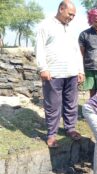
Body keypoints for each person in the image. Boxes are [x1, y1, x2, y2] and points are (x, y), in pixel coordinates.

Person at [35, 0, 84, 148]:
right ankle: (51, 135)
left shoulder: (71, 29)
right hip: (53, 73)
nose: (71, 17)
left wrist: (80, 70)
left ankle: (70, 128)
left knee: (71, 103)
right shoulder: (45, 26)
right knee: (53, 105)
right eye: (70, 14)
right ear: (61, 9)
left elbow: (77, 52)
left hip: (71, 73)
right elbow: (39, 48)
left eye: (74, 15)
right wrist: (43, 68)